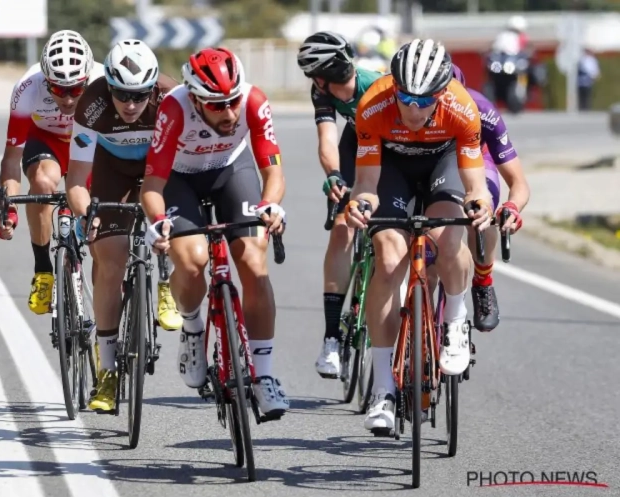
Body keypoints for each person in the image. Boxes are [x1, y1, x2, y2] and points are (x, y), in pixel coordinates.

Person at [345, 39, 493, 433]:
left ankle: (456, 322)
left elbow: (474, 181)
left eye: (425, 100)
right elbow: (367, 182)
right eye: (406, 97)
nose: (413, 108)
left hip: (441, 164)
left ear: (442, 92)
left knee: (448, 237)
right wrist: (360, 203)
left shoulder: (462, 108)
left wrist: (479, 201)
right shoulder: (373, 106)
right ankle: (382, 389)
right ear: (394, 87)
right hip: (391, 168)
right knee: (389, 258)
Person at [141, 47, 290, 417]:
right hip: (180, 179)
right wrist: (157, 223)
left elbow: (272, 172)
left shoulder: (254, 101)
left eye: (232, 101)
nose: (229, 113)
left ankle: (265, 375)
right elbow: (152, 186)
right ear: (194, 98)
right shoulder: (174, 108)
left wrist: (271, 205)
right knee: (192, 261)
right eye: (216, 105)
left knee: (254, 264)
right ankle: (193, 329)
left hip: (231, 171)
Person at [65, 39, 181, 412]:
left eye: (139, 96)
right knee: (111, 258)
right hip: (111, 168)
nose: (130, 105)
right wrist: (88, 214)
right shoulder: (92, 102)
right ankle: (108, 370)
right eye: (121, 95)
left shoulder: (172, 98)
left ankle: (166, 281)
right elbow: (77, 180)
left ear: (152, 89)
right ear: (109, 86)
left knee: (175, 229)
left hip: (158, 168)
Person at [0, 30, 104, 315]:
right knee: (42, 182)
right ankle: (43, 270)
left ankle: (106, 323)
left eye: (76, 89)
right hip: (47, 141)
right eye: (58, 89)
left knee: (100, 237)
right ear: (45, 79)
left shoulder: (104, 82)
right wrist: (9, 210)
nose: (67, 99)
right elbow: (11, 158)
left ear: (87, 79)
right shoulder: (27, 88)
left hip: (88, 143)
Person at [296, 31, 383, 378]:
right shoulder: (321, 92)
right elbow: (327, 139)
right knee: (342, 229)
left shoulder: (375, 87)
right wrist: (334, 175)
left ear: (320, 75)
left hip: (388, 150)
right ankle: (332, 335)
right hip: (354, 144)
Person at [445, 64, 529, 332]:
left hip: (478, 158)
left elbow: (518, 182)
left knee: (482, 212)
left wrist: (512, 207)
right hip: (432, 161)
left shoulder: (482, 109)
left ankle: (483, 282)